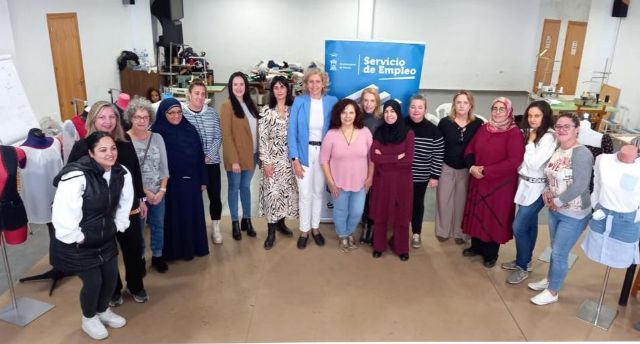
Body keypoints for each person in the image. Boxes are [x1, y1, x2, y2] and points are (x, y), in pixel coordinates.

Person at [51, 131, 133, 340]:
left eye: (113, 148)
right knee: (94, 282)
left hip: (105, 238)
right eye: (103, 150)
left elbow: (125, 201)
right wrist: (79, 237)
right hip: (80, 243)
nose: (110, 154)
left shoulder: (120, 172)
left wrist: (118, 225)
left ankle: (103, 311)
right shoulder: (76, 176)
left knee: (110, 277)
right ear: (91, 153)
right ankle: (89, 318)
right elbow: (62, 213)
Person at [67, 101, 148, 305]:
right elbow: (70, 180)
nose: (108, 121)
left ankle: (136, 285)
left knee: (134, 249)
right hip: (99, 214)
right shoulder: (81, 148)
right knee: (107, 255)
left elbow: (135, 173)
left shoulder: (125, 143)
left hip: (128, 209)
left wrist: (141, 198)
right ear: (93, 119)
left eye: (112, 117)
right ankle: (113, 290)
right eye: (102, 117)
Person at [528, 113, 593, 306]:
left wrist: (557, 200)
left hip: (574, 213)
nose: (562, 130)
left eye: (567, 126)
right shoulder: (558, 148)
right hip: (556, 209)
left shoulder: (582, 153)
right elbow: (550, 174)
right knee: (555, 247)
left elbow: (580, 185)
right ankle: (550, 280)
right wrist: (548, 191)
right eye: (558, 126)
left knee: (559, 252)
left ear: (577, 129)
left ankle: (553, 291)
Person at [461, 97, 524, 268]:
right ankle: (476, 246)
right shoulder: (484, 128)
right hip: (478, 179)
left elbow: (513, 161)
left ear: (509, 111)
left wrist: (486, 171)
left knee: (493, 217)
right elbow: (470, 149)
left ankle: (490, 253)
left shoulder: (514, 133)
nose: (497, 112)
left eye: (501, 109)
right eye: (494, 108)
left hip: (500, 185)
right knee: (477, 213)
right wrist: (472, 166)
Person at [502, 101, 556, 284]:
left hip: (537, 188)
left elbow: (533, 164)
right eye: (530, 115)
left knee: (519, 226)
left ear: (545, 116)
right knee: (530, 225)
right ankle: (524, 260)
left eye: (537, 116)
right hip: (524, 185)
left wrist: (531, 143)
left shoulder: (548, 137)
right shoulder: (533, 133)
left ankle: (522, 267)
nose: (532, 119)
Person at [151, 98, 209, 261]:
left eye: (179, 112)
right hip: (169, 184)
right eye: (171, 113)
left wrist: (203, 179)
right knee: (173, 218)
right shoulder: (157, 132)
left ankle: (192, 248)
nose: (176, 116)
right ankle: (174, 252)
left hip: (191, 181)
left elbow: (199, 156)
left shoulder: (189, 129)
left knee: (191, 216)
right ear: (163, 113)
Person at [288, 67, 338, 249]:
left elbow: (338, 128)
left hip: (324, 155)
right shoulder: (299, 102)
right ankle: (304, 230)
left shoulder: (332, 102)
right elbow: (291, 131)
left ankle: (316, 228)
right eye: (311, 82)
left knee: (318, 193)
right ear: (306, 84)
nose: (314, 85)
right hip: (303, 153)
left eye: (318, 81)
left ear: (323, 83)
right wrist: (294, 159)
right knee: (305, 194)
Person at [320, 99, 373, 252]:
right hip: (339, 184)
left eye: (351, 112)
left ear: (356, 114)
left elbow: (372, 158)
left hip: (361, 183)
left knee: (357, 212)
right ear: (338, 114)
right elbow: (324, 160)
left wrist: (370, 178)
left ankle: (349, 231)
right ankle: (343, 235)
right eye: (344, 112)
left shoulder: (365, 133)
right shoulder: (331, 134)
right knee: (340, 212)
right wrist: (331, 182)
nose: (348, 116)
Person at [126, 97, 170, 273]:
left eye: (145, 117)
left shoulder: (157, 137)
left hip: (158, 192)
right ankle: (141, 258)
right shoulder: (125, 140)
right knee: (138, 230)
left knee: (158, 225)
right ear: (131, 118)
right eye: (137, 117)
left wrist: (162, 190)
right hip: (137, 195)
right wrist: (144, 194)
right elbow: (127, 173)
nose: (142, 120)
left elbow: (164, 167)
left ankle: (158, 256)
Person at [435, 90, 483, 243]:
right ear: (454, 104)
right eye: (458, 102)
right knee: (443, 200)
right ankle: (443, 231)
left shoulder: (477, 124)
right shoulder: (445, 122)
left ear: (471, 105)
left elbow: (479, 148)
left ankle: (460, 233)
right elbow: (438, 147)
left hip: (466, 169)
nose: (462, 106)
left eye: (465, 102)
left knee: (462, 202)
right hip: (446, 166)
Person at [370, 100, 414, 261]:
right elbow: (374, 156)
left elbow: (408, 159)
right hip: (383, 181)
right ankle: (378, 246)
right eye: (386, 111)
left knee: (401, 215)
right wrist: (396, 157)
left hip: (402, 182)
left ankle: (402, 248)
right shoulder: (379, 132)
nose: (389, 115)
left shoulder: (408, 133)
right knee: (381, 213)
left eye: (393, 111)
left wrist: (385, 158)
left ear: (398, 113)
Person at [258, 76, 298, 250]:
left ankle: (281, 224)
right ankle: (271, 232)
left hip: (289, 162)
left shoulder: (294, 110)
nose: (280, 90)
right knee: (273, 196)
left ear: (287, 90)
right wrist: (266, 162)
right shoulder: (267, 111)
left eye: (282, 87)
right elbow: (262, 139)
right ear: (272, 91)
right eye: (276, 87)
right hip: (272, 162)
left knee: (285, 195)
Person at [182, 79, 223, 244]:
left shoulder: (212, 113)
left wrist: (208, 156)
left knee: (215, 196)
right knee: (193, 198)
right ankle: (194, 229)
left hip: (212, 162)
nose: (200, 97)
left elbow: (218, 136)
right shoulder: (183, 114)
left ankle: (216, 228)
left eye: (203, 94)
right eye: (196, 93)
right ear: (189, 95)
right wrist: (197, 159)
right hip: (192, 165)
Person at [220, 72, 260, 241]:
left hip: (252, 156)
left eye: (241, 84)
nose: (238, 87)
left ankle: (247, 220)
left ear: (246, 86)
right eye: (235, 84)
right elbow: (226, 136)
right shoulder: (227, 106)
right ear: (231, 86)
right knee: (234, 188)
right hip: (236, 158)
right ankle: (235, 222)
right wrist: (233, 160)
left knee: (245, 187)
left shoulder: (251, 105)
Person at [405, 94, 444, 249]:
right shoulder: (401, 125)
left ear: (425, 110)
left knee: (417, 205)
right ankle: (400, 231)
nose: (416, 111)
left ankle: (416, 233)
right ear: (408, 109)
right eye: (413, 107)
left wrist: (434, 176)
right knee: (400, 204)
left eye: (420, 107)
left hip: (421, 176)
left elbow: (438, 154)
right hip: (401, 176)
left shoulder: (434, 131)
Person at [358, 87, 382, 244]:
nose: (368, 104)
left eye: (372, 101)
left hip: (377, 165)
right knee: (364, 198)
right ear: (361, 102)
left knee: (375, 197)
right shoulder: (356, 119)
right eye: (365, 100)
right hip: (359, 164)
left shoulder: (381, 121)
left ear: (377, 103)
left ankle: (373, 227)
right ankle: (365, 225)